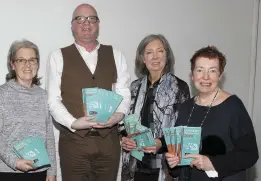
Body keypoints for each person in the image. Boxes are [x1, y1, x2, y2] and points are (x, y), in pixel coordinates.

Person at [46, 3, 131, 181]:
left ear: (98, 24)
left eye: (92, 18)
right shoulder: (57, 57)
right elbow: (53, 100)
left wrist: (117, 117)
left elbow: (124, 93)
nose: (87, 23)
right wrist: (73, 123)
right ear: (72, 25)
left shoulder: (116, 54)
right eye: (80, 19)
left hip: (109, 143)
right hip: (73, 143)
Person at [164, 46, 259, 180]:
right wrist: (173, 162)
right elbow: (178, 165)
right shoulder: (185, 108)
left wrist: (212, 163)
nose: (205, 77)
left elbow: (250, 154)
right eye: (200, 70)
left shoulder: (233, 106)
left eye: (212, 71)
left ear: (220, 75)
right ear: (192, 75)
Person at [120, 34, 190, 181]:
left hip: (164, 166)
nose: (155, 57)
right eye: (149, 52)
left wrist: (161, 143)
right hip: (136, 164)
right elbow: (124, 124)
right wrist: (125, 139)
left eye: (160, 51)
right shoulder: (134, 87)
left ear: (167, 55)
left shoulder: (179, 88)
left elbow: (183, 130)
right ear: (143, 59)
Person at [0, 39, 56, 181]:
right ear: (12, 64)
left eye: (32, 60)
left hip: (39, 170)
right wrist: (15, 161)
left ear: (37, 63)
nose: (28, 65)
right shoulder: (0, 93)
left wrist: (51, 170)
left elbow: (49, 136)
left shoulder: (43, 95)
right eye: (21, 60)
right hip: (7, 171)